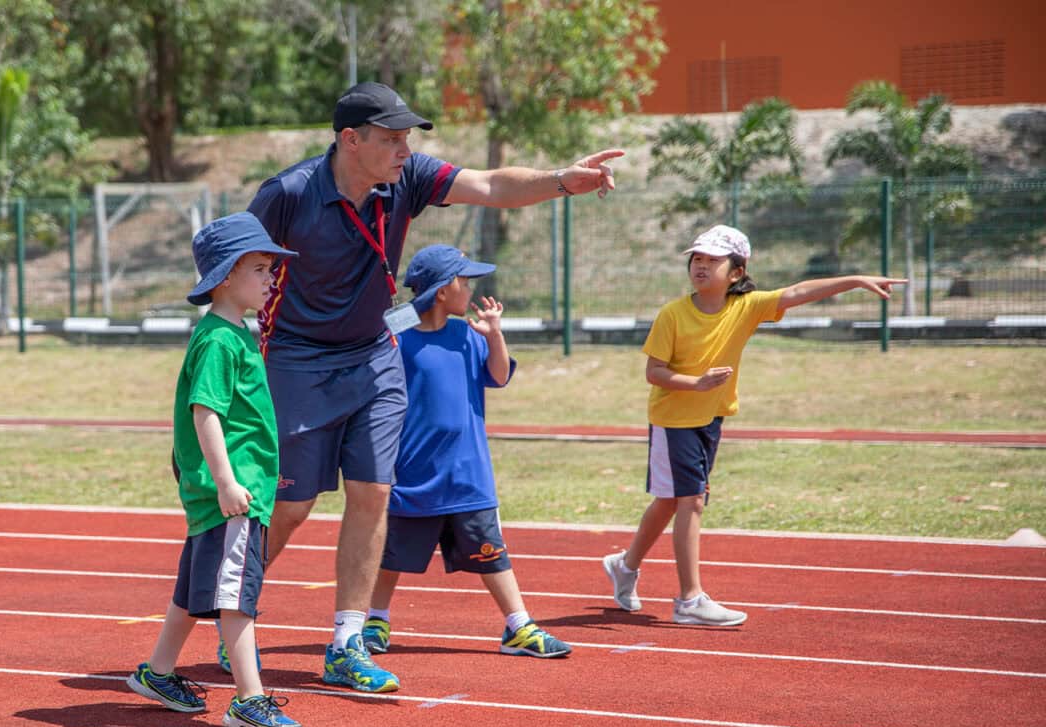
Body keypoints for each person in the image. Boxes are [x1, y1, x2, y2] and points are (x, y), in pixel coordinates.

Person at [246, 81, 620, 692]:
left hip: (373, 357)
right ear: (349, 139)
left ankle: (347, 643)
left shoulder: (408, 178)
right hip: (297, 362)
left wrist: (561, 180)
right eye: (391, 139)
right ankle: (232, 609)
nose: (404, 149)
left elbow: (493, 185)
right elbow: (234, 266)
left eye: (407, 139)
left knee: (371, 494)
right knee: (291, 507)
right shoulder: (287, 194)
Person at [602, 225, 903, 626]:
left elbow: (798, 292)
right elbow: (654, 372)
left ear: (737, 272)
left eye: (713, 260)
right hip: (673, 419)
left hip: (709, 418)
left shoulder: (747, 307)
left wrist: (854, 281)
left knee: (672, 501)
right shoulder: (673, 314)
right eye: (697, 259)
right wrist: (696, 383)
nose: (701, 266)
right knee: (690, 501)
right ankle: (689, 600)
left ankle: (625, 564)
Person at [125, 212, 303, 727]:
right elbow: (206, 411)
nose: (271, 278)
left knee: (194, 590)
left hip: (227, 490)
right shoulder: (221, 340)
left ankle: (158, 672)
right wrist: (227, 481)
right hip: (234, 492)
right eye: (261, 268)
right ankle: (249, 699)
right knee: (235, 595)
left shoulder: (231, 332)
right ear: (227, 275)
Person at [363, 244, 572, 660]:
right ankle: (375, 620)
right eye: (465, 280)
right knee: (392, 556)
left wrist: (494, 332)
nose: (472, 287)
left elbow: (498, 375)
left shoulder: (467, 335)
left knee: (491, 552)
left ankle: (519, 626)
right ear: (443, 290)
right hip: (412, 474)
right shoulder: (396, 338)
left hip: (467, 473)